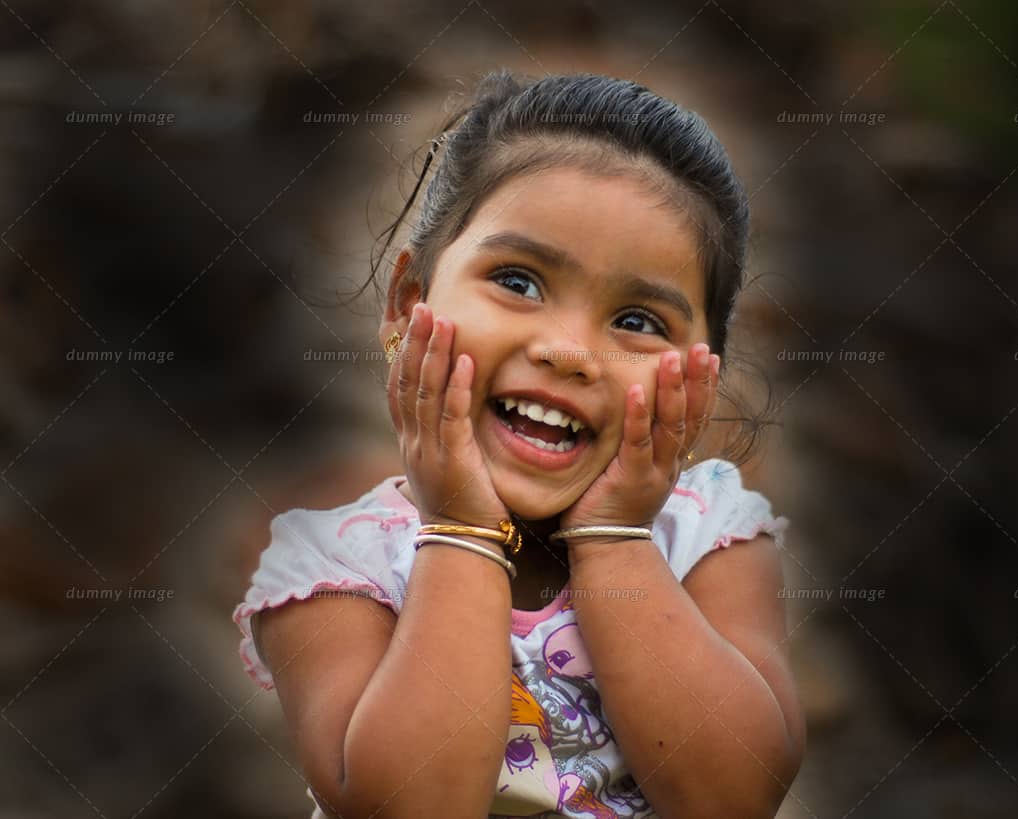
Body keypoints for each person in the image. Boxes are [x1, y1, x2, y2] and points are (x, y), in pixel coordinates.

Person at [231, 71, 802, 818]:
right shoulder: (336, 571)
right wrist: (461, 528)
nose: (567, 351)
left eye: (637, 321)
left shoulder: (707, 540)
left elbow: (733, 798)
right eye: (518, 281)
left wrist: (615, 537)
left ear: (699, 380)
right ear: (410, 301)